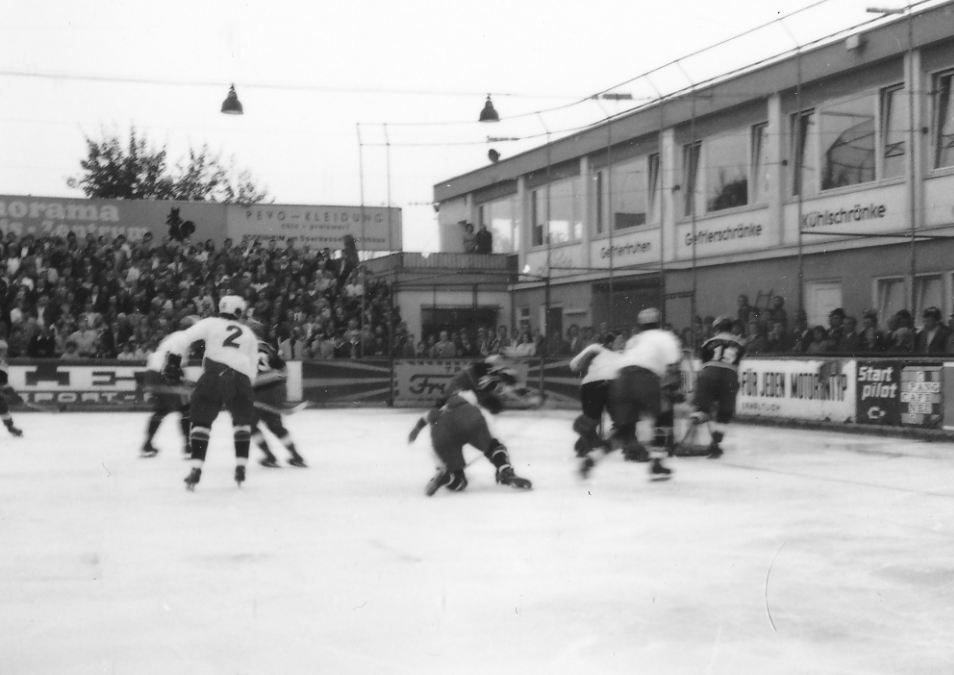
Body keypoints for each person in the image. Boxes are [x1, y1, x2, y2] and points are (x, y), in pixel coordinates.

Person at [161, 296, 259, 491]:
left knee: (200, 422)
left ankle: (196, 470)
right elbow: (252, 367)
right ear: (238, 311)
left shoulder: (210, 323)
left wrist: (173, 360)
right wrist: (245, 388)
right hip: (241, 378)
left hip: (213, 375)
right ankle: (241, 467)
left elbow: (183, 338)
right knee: (241, 422)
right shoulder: (248, 333)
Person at [581, 308, 681, 481]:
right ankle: (657, 462)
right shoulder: (664, 336)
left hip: (620, 380)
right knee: (664, 414)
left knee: (625, 430)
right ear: (658, 322)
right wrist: (675, 388)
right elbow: (672, 365)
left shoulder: (634, 340)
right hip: (644, 378)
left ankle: (593, 458)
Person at [407, 392, 531, 495]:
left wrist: (415, 431)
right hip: (468, 418)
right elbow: (482, 400)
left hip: (440, 431)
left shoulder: (434, 412)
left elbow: (423, 420)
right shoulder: (463, 397)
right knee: (493, 446)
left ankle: (448, 477)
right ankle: (505, 471)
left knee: (459, 481)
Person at [140, 316, 198, 458]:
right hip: (165, 371)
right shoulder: (184, 338)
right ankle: (188, 447)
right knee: (186, 409)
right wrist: (180, 378)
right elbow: (174, 359)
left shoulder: (172, 337)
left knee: (161, 410)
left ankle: (147, 445)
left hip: (152, 371)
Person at [249, 329, 307, 469]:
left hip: (260, 391)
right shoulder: (266, 346)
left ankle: (269, 456)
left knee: (248, 423)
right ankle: (296, 456)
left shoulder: (243, 347)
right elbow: (282, 367)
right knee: (275, 425)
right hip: (276, 387)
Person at [691, 316, 745, 459]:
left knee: (703, 402)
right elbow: (737, 363)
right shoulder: (740, 343)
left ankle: (701, 411)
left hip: (709, 372)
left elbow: (704, 363)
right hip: (729, 375)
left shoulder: (708, 342)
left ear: (717, 329)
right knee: (725, 413)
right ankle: (715, 443)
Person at [569, 330, 622, 457]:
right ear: (610, 342)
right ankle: (586, 439)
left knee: (597, 418)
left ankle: (585, 442)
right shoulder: (596, 348)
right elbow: (574, 365)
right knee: (594, 418)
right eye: (619, 341)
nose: (622, 344)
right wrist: (584, 365)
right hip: (595, 385)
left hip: (605, 385)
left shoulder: (621, 354)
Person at [0, 340, 24, 437]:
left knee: (2, 406)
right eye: (2, 350)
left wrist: (11, 392)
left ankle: (10, 426)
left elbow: (3, 382)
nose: (4, 352)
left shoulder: (3, 365)